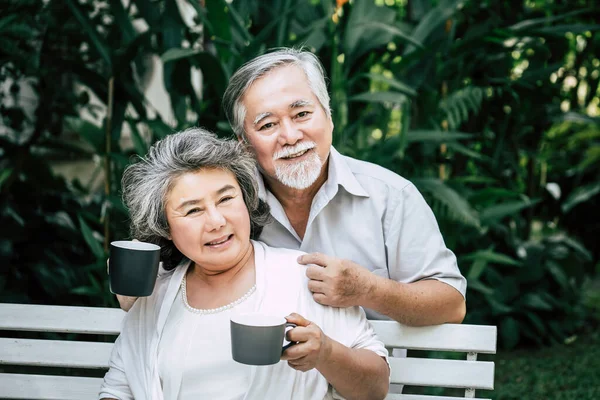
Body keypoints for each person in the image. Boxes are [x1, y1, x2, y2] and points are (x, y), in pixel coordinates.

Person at [118, 48, 467, 325]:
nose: (290, 136)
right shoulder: (225, 204)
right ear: (243, 143)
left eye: (302, 114)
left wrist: (367, 289)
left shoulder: (392, 196)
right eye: (268, 124)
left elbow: (451, 304)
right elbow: (154, 277)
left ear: (329, 116)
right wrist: (133, 279)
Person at [99, 128, 390, 400]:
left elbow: (376, 388)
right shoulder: (157, 294)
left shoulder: (305, 278)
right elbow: (118, 389)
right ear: (165, 228)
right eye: (193, 210)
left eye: (226, 198)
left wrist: (326, 353)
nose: (216, 221)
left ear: (246, 200)